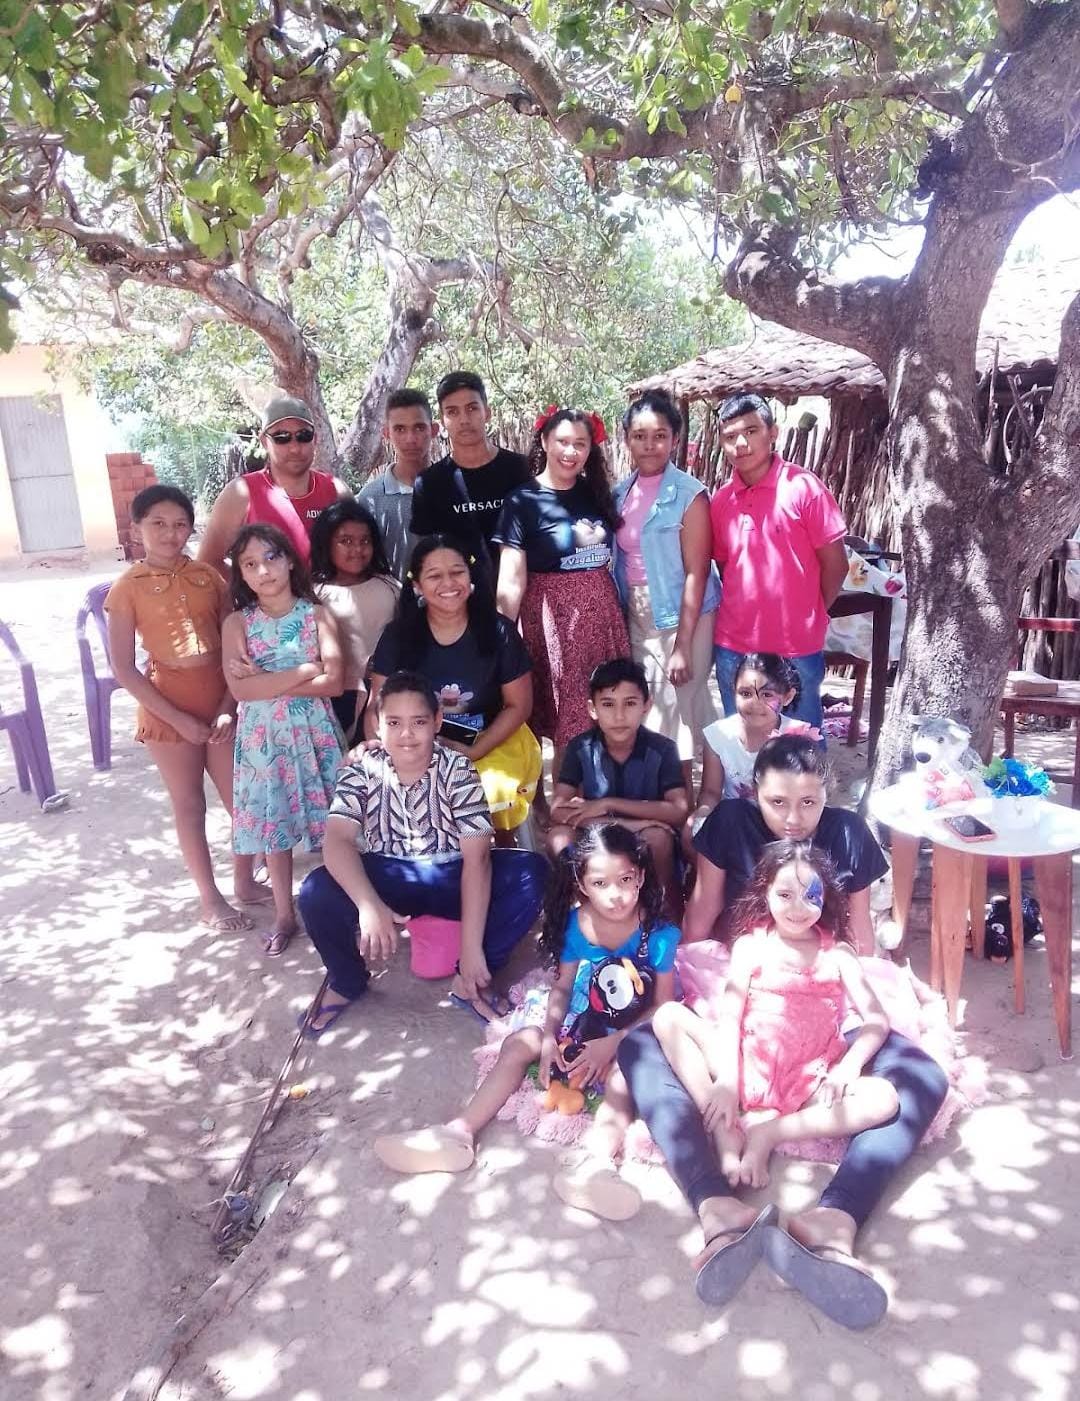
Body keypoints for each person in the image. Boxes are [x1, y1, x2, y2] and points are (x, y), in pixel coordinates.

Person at [617, 734, 949, 1327]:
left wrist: (867, 1013)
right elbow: (702, 911)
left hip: (827, 1004)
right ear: (754, 792)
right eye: (777, 803)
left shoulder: (848, 832)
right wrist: (681, 973)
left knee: (922, 1076)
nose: (793, 818)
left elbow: (860, 938)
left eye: (809, 803)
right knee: (643, 1039)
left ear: (828, 796)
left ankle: (836, 1217)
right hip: (747, 982)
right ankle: (715, 1202)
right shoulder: (729, 820)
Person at [373, 821, 678, 1223]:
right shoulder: (577, 924)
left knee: (623, 1076)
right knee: (521, 1042)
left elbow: (663, 1005)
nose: (616, 894)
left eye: (625, 879)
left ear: (640, 875)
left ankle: (597, 1166)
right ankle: (457, 1133)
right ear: (582, 885)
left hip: (629, 1030)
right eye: (600, 883)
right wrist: (550, 1036)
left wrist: (615, 1043)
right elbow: (563, 987)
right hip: (581, 1020)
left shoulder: (659, 933)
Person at [297, 670, 548, 1032]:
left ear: (437, 722)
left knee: (533, 873)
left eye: (418, 722)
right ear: (377, 724)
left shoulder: (458, 768)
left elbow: (477, 858)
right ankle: (346, 980)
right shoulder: (361, 769)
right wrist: (368, 905)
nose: (406, 734)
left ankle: (471, 978)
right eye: (394, 722)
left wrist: (471, 948)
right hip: (390, 874)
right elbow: (337, 840)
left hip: (452, 873)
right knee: (315, 891)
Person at [653, 842, 897, 1200]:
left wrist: (848, 1067)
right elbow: (731, 1016)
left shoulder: (839, 954)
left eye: (810, 896)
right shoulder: (751, 946)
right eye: (785, 895)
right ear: (765, 892)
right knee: (667, 1016)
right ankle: (724, 1128)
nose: (798, 908)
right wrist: (727, 1082)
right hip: (745, 1064)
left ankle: (769, 1133)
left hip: (810, 1079)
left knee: (884, 1098)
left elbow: (877, 1021)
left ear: (826, 896)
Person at [104, 485, 264, 931]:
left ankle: (245, 881)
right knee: (190, 805)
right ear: (137, 528)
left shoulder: (209, 577)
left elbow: (235, 648)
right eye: (158, 523)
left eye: (179, 524)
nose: (169, 533)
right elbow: (124, 668)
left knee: (244, 801)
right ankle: (210, 899)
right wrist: (178, 719)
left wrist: (228, 706)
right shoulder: (126, 588)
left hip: (220, 702)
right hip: (167, 710)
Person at [367, 535, 541, 839]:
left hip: (489, 741)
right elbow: (376, 709)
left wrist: (474, 751)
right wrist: (396, 753)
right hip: (415, 744)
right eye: (434, 575)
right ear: (417, 585)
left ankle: (498, 855)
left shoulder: (499, 631)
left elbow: (519, 705)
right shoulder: (398, 637)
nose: (448, 583)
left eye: (457, 572)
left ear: (470, 575)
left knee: (485, 801)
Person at [222, 524, 344, 956]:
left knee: (334, 821)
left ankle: (341, 906)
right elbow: (241, 691)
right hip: (263, 741)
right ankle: (284, 914)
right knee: (276, 825)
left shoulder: (317, 615)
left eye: (271, 557)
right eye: (250, 564)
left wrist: (268, 680)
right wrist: (306, 670)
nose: (263, 570)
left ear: (290, 559)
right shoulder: (237, 623)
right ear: (241, 573)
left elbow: (335, 682)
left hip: (315, 732)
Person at [494, 406, 630, 777]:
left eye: (580, 444)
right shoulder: (522, 501)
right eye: (563, 442)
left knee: (597, 711)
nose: (571, 452)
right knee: (549, 716)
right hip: (550, 624)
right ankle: (543, 801)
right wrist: (502, 636)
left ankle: (591, 796)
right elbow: (511, 577)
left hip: (600, 621)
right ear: (544, 441)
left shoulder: (596, 493)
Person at [710, 393, 848, 730]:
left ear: (772, 433)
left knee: (799, 743)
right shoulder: (722, 501)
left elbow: (836, 565)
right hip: (733, 646)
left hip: (795, 648)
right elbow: (727, 568)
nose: (741, 443)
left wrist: (811, 611)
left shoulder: (804, 489)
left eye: (751, 431)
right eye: (730, 436)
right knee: (740, 744)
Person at [614, 390, 721, 794]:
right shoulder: (620, 494)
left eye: (659, 436)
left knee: (677, 709)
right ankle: (667, 803)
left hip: (683, 616)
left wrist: (682, 644)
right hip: (637, 613)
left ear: (675, 439)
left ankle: (684, 806)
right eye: (640, 436)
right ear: (627, 439)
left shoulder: (689, 494)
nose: (649, 445)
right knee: (650, 707)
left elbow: (697, 572)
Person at [551, 659, 688, 915]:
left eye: (630, 703)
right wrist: (624, 824)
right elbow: (558, 810)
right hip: (598, 835)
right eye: (608, 704)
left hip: (646, 837)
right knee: (559, 838)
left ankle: (662, 916)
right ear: (592, 709)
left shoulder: (663, 748)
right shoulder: (580, 748)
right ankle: (590, 914)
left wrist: (607, 803)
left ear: (647, 706)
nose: (619, 716)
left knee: (658, 838)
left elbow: (679, 810)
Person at [199, 396, 351, 576]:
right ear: (264, 441)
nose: (295, 448)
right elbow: (207, 561)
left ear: (315, 439)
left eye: (303, 436)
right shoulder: (240, 494)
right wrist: (254, 587)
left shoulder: (337, 491)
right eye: (281, 438)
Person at [409, 372, 529, 568]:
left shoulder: (521, 469)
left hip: (523, 583)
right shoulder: (429, 484)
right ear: (443, 420)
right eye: (452, 412)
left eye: (472, 408)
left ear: (487, 412)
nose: (464, 420)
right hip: (459, 587)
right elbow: (427, 556)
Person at [309, 501, 400, 745]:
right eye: (345, 541)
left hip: (385, 690)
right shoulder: (314, 594)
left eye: (365, 541)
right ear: (326, 543)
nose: (357, 549)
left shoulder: (390, 587)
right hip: (336, 694)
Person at [689, 652, 807, 834]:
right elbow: (710, 792)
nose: (755, 703)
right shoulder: (718, 735)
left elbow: (805, 794)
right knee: (691, 829)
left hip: (782, 823)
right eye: (745, 693)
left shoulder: (799, 736)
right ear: (733, 691)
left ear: (787, 697)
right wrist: (703, 817)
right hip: (735, 819)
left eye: (767, 694)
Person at [357, 388, 438, 579]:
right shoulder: (370, 499)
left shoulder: (453, 488)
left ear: (434, 430)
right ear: (386, 433)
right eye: (400, 429)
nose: (410, 439)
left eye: (419, 428)